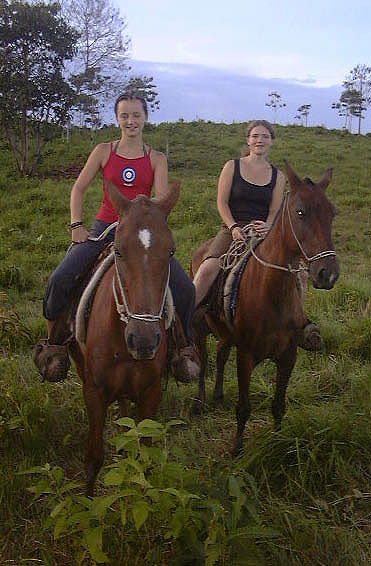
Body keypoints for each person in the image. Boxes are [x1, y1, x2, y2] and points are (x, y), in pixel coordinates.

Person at [35, 94, 199, 381]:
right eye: (124, 115)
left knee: (185, 288)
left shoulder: (156, 158)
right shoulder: (103, 151)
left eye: (136, 115)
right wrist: (77, 225)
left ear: (145, 118)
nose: (130, 121)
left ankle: (182, 349)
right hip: (104, 228)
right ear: (117, 119)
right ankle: (54, 345)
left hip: (137, 233)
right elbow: (78, 189)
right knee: (60, 278)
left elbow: (159, 203)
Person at [192, 119, 322, 350]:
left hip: (263, 231)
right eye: (255, 136)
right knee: (208, 268)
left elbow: (274, 210)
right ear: (248, 140)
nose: (259, 140)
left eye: (264, 136)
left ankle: (298, 323)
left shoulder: (277, 176)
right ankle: (186, 316)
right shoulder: (232, 166)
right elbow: (222, 203)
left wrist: (268, 225)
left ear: (271, 141)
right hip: (232, 228)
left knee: (299, 273)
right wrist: (233, 228)